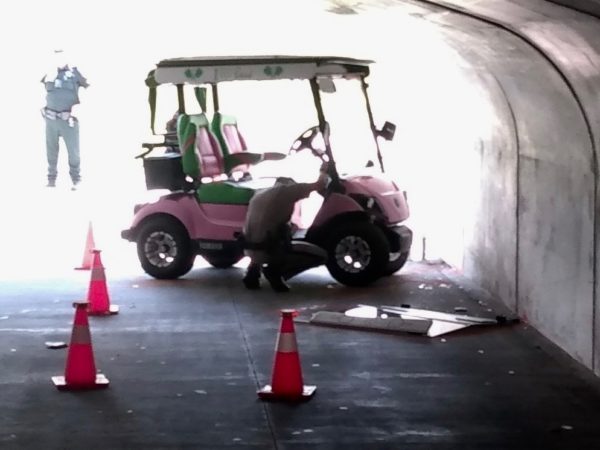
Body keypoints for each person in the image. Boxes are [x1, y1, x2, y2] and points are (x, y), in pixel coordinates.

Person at [242, 166, 330, 292]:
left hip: (250, 249)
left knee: (265, 232)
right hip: (268, 249)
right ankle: (275, 273)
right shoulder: (288, 191)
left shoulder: (259, 194)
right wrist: (324, 171)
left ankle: (252, 274)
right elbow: (319, 185)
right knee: (321, 256)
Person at [41, 49, 89, 190]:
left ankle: (76, 179)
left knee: (73, 152)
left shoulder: (75, 74)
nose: (59, 59)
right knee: (51, 151)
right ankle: (51, 179)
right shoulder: (48, 73)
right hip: (51, 120)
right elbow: (37, 89)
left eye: (61, 55)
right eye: (56, 55)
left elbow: (91, 90)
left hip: (69, 120)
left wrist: (80, 107)